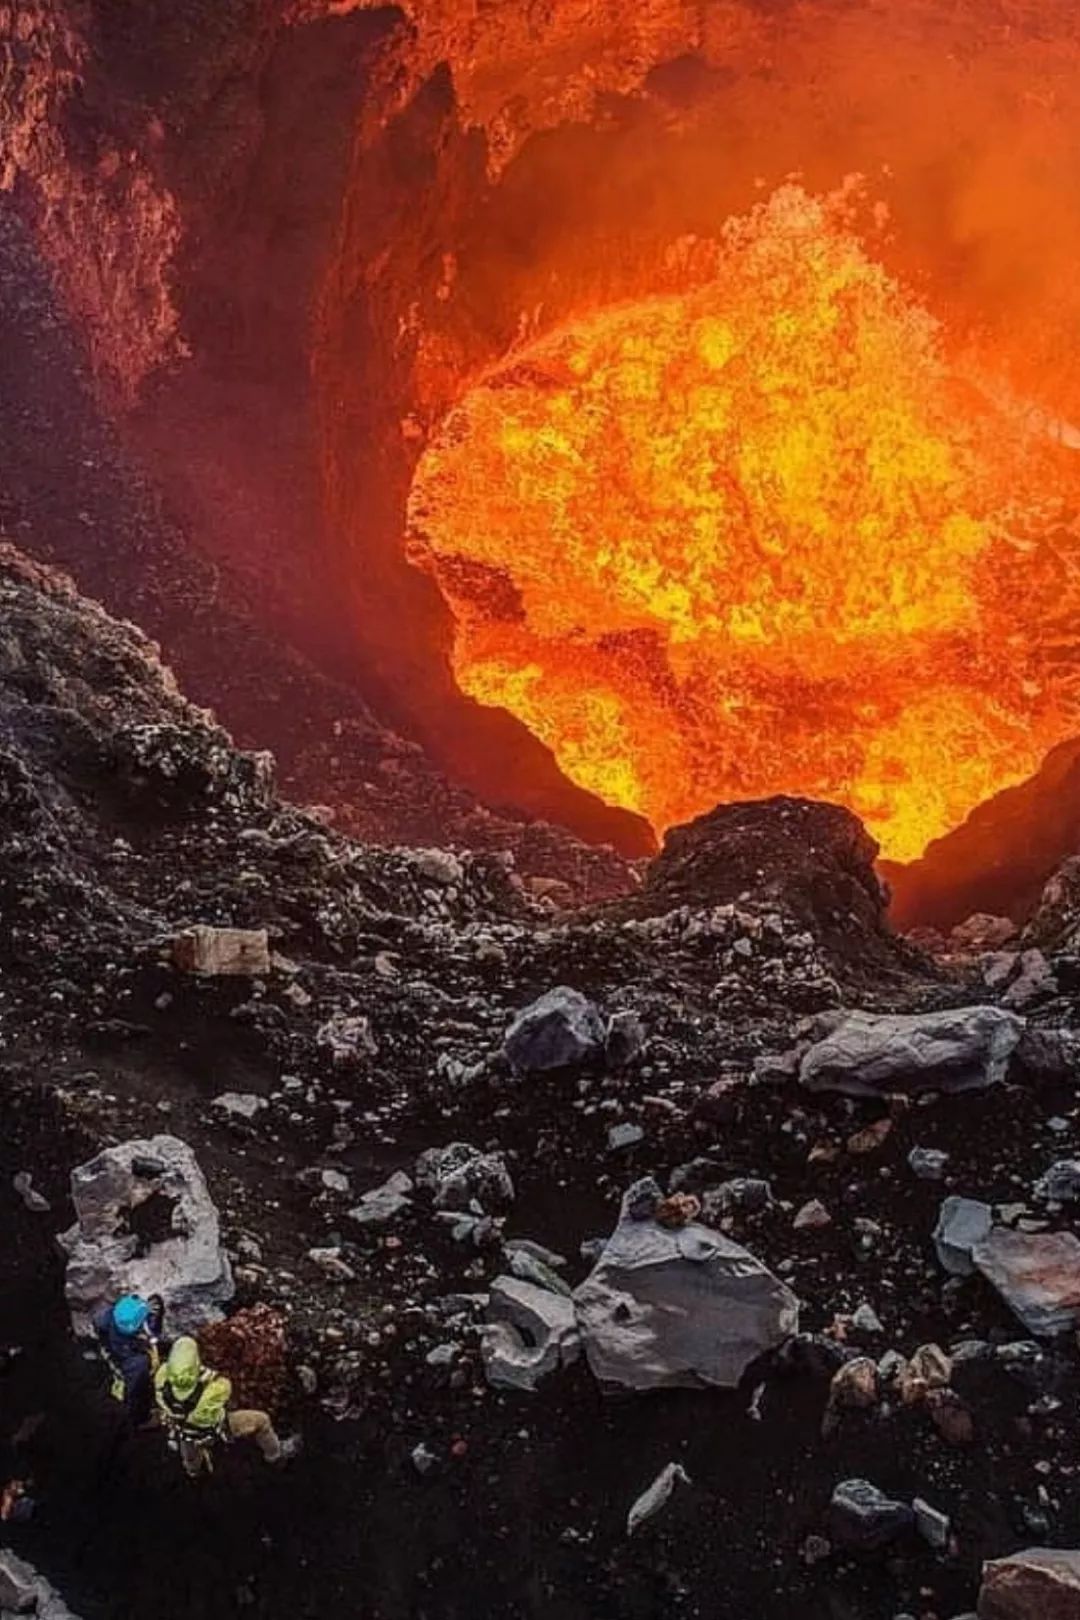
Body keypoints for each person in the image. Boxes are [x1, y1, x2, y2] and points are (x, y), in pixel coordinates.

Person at [154, 1337, 296, 1478]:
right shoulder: (212, 1392)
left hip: (182, 1429)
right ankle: (275, 1455)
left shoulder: (161, 1378)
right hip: (215, 1427)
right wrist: (207, 1376)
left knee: (190, 1453)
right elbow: (226, 1386)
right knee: (262, 1421)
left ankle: (194, 1472)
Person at [93, 1293, 165, 1426]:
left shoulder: (105, 1317)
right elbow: (134, 1395)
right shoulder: (137, 1362)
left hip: (118, 1350)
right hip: (130, 1367)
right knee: (139, 1389)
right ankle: (142, 1420)